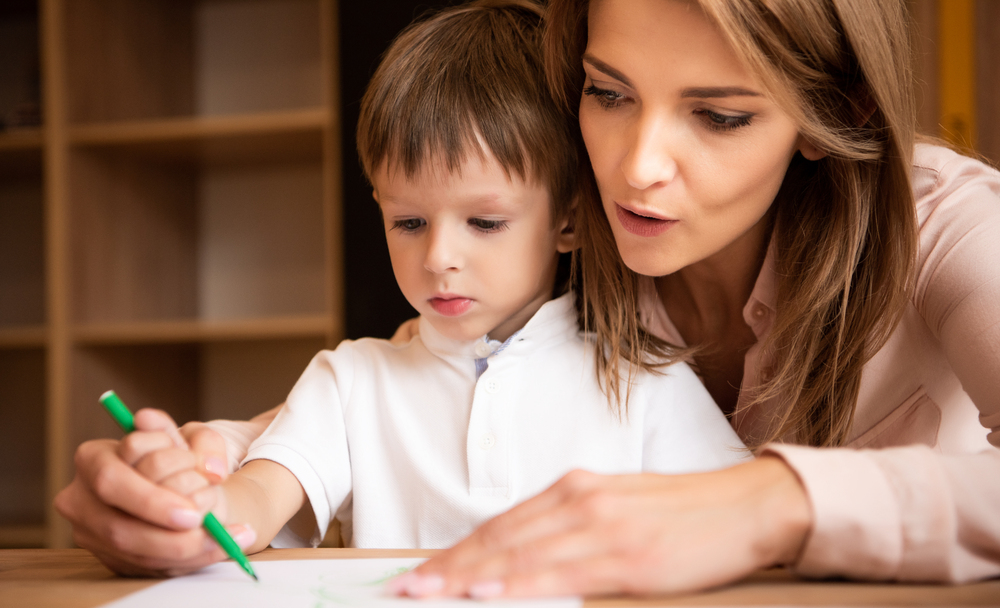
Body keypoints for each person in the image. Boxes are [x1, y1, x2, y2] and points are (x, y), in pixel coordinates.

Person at [53, 0, 748, 576]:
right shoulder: (350, 379)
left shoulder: (646, 377)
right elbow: (258, 497)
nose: (440, 256)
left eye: (484, 221)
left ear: (567, 218)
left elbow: (742, 525)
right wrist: (191, 504)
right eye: (408, 220)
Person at [381, 0, 1000, 599]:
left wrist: (776, 502)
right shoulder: (550, 232)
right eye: (608, 92)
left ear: (836, 110)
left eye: (719, 116)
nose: (638, 167)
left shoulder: (948, 228)